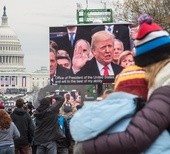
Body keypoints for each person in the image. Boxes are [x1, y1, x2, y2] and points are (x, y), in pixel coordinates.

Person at [72, 14, 170, 154]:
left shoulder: (165, 89)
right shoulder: (163, 87)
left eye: (110, 46)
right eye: (103, 47)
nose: (108, 51)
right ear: (93, 51)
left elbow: (134, 138)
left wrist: (84, 148)